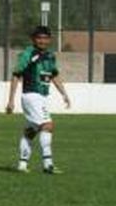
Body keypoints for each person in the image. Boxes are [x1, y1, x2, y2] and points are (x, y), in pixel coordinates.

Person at [6, 26, 71, 174]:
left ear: (49, 40)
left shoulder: (50, 56)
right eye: (39, 38)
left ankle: (22, 164)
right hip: (31, 95)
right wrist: (11, 100)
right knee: (47, 125)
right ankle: (48, 164)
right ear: (33, 39)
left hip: (42, 97)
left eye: (45, 38)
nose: (42, 41)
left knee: (31, 130)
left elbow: (54, 75)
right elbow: (16, 74)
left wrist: (64, 94)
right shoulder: (28, 54)